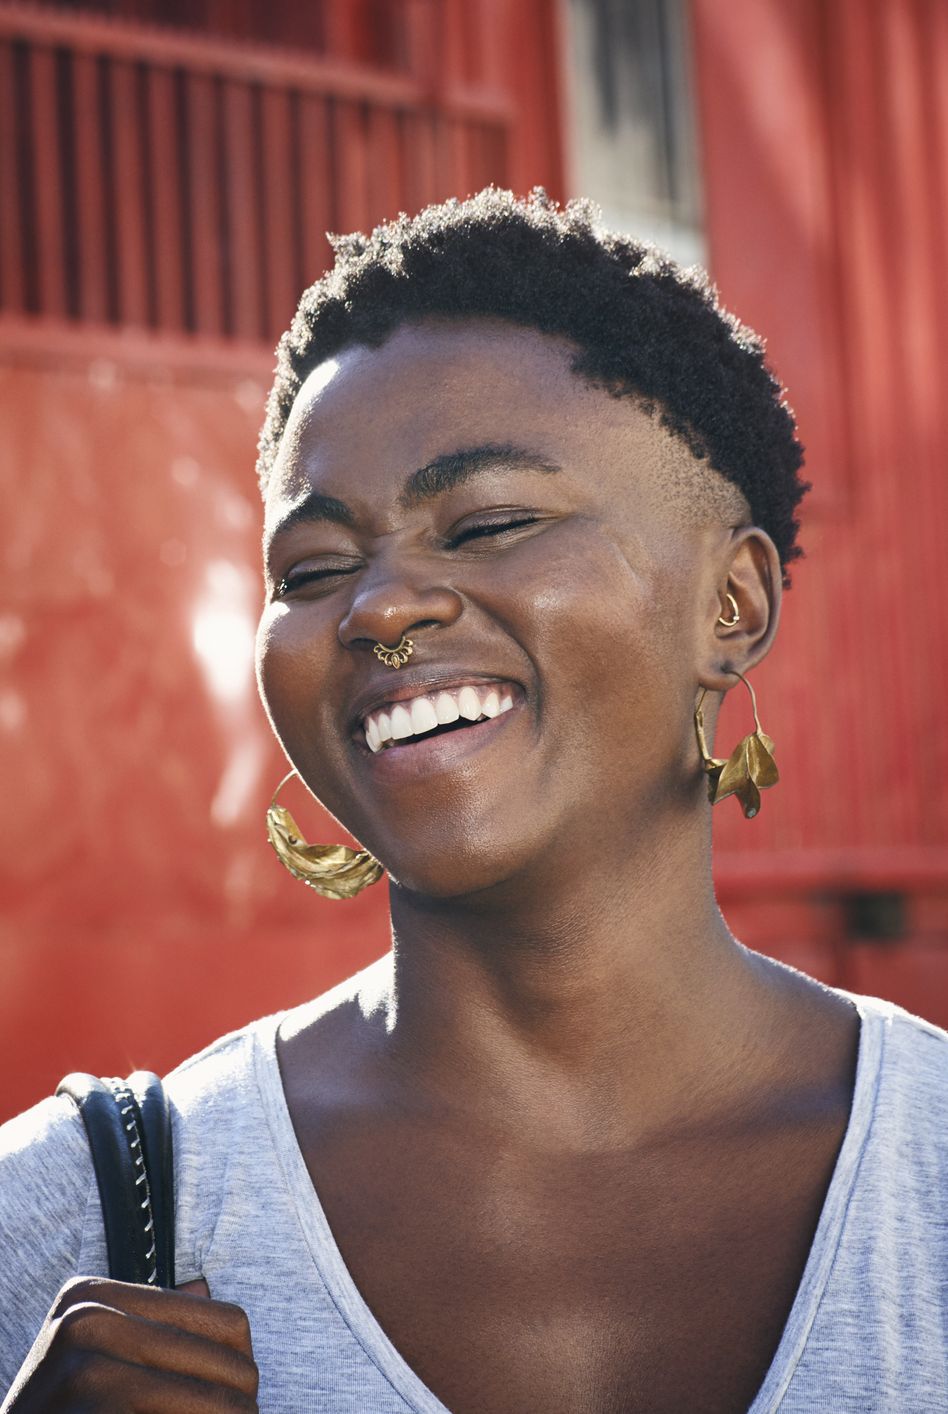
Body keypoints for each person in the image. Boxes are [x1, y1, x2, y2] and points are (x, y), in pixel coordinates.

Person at [1, 188, 946, 1413]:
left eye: (490, 522)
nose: (380, 608)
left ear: (734, 604)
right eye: (316, 567)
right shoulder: (80, 1215)